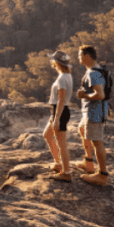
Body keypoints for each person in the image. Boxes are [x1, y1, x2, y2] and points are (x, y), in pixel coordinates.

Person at [74, 45, 110, 186]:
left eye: (80, 55)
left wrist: (85, 95)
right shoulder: (97, 70)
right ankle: (88, 162)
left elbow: (100, 94)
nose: (78, 58)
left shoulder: (93, 73)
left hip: (95, 113)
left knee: (97, 141)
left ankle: (102, 175)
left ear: (87, 56)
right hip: (91, 111)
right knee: (82, 129)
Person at [43, 50, 73, 182]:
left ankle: (66, 172)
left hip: (59, 111)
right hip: (57, 111)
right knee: (47, 135)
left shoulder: (62, 78)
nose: (51, 62)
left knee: (62, 144)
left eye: (53, 60)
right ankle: (58, 163)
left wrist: (56, 119)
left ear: (56, 63)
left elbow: (61, 99)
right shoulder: (66, 76)